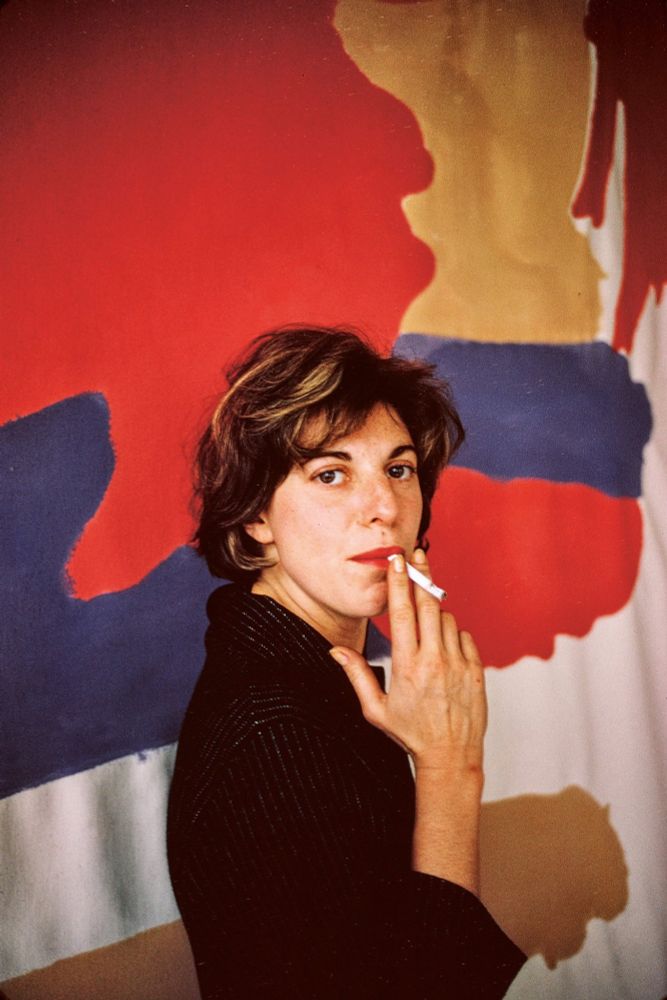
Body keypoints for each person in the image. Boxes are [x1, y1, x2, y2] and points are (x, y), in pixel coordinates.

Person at [167, 326, 525, 998]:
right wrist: (451, 769)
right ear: (256, 517)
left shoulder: (308, 675)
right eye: (331, 474)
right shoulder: (275, 729)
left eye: (398, 469)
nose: (384, 508)